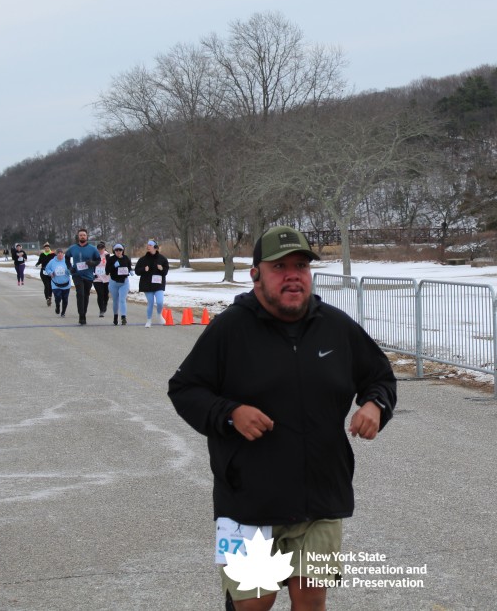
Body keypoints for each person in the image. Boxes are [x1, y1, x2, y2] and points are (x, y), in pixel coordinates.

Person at [168, 225, 397, 610]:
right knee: (256, 603)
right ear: (255, 275)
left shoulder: (336, 327)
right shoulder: (230, 329)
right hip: (248, 501)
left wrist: (375, 405)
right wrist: (230, 413)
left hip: (320, 496)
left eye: (301, 266)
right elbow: (185, 388)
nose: (293, 275)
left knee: (311, 601)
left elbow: (380, 377)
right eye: (279, 267)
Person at [65, 229, 101, 326]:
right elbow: (67, 257)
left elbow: (98, 260)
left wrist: (92, 263)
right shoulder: (73, 248)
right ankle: (81, 316)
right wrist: (70, 268)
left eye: (84, 235)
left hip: (88, 275)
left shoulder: (92, 249)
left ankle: (84, 313)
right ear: (78, 236)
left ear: (87, 236)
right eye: (80, 235)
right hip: (77, 275)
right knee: (80, 294)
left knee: (86, 295)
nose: (82, 237)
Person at [134, 240, 169, 328]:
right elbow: (137, 271)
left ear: (155, 247)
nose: (148, 246)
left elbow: (165, 272)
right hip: (147, 284)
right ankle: (149, 320)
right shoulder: (143, 259)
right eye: (148, 245)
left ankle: (159, 315)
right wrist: (143, 269)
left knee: (160, 302)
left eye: (150, 245)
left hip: (158, 284)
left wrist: (162, 269)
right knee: (151, 302)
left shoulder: (162, 259)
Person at [106, 243, 132, 325]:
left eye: (120, 250)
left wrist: (130, 271)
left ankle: (123, 317)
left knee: (122, 299)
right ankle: (115, 316)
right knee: (115, 301)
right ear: (114, 251)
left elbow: (129, 266)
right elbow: (107, 271)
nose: (118, 251)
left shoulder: (126, 258)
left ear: (122, 250)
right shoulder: (111, 259)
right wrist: (114, 266)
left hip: (124, 283)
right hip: (114, 283)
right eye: (116, 250)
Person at [45, 247, 72, 317]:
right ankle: (57, 306)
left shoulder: (66, 261)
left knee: (65, 299)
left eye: (61, 253)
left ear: (63, 254)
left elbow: (71, 269)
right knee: (57, 297)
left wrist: (69, 271)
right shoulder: (52, 261)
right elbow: (47, 268)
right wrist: (50, 273)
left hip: (66, 284)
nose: (60, 254)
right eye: (58, 253)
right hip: (56, 284)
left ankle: (63, 312)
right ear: (56, 254)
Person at [92, 241, 110, 318]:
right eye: (99, 249)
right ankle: (101, 310)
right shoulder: (94, 255)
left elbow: (110, 265)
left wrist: (109, 271)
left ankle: (105, 304)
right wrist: (93, 274)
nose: (100, 250)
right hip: (97, 278)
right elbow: (92, 265)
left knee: (105, 294)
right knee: (100, 294)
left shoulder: (107, 255)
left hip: (106, 277)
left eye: (102, 248)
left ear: (104, 248)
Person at [35, 243, 54, 307]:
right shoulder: (42, 255)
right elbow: (40, 261)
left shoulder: (53, 254)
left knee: (50, 285)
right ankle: (47, 298)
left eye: (48, 248)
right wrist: (37, 264)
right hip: (44, 271)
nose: (46, 249)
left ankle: (50, 296)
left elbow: (56, 262)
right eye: (45, 248)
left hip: (51, 272)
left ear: (49, 248)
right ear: (44, 249)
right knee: (46, 285)